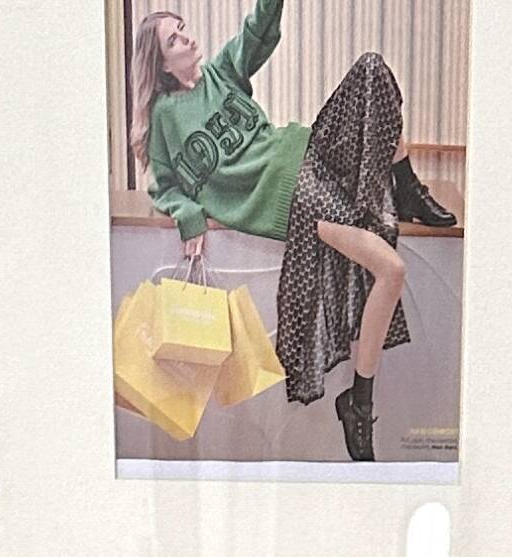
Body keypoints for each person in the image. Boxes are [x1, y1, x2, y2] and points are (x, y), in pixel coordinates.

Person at [127, 1, 457, 460]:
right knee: (391, 269)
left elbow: (260, 30)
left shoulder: (223, 73)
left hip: (311, 150)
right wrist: (188, 213)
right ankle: (358, 403)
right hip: (297, 200)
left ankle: (407, 188)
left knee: (371, 72)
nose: (188, 38)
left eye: (184, 29)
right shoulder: (166, 116)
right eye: (174, 39)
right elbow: (161, 183)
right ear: (160, 62)